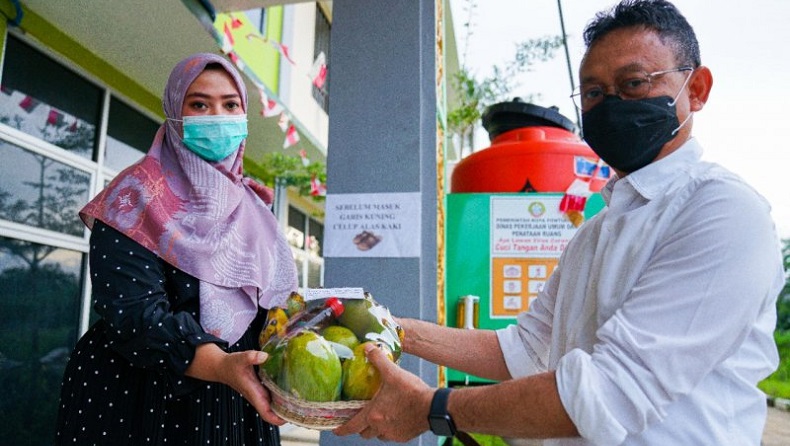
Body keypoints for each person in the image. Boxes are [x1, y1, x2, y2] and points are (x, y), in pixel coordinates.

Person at [333, 1, 784, 445]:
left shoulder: (722, 211)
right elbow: (524, 349)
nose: (611, 106)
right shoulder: (596, 230)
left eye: (633, 83)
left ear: (697, 88)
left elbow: (606, 392)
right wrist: (383, 325)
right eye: (594, 94)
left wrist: (433, 408)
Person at [54, 53, 298, 445]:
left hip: (236, 403)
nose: (217, 116)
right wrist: (221, 365)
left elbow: (276, 311)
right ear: (175, 113)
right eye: (199, 104)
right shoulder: (134, 195)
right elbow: (134, 314)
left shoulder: (254, 208)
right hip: (137, 399)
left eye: (230, 105)